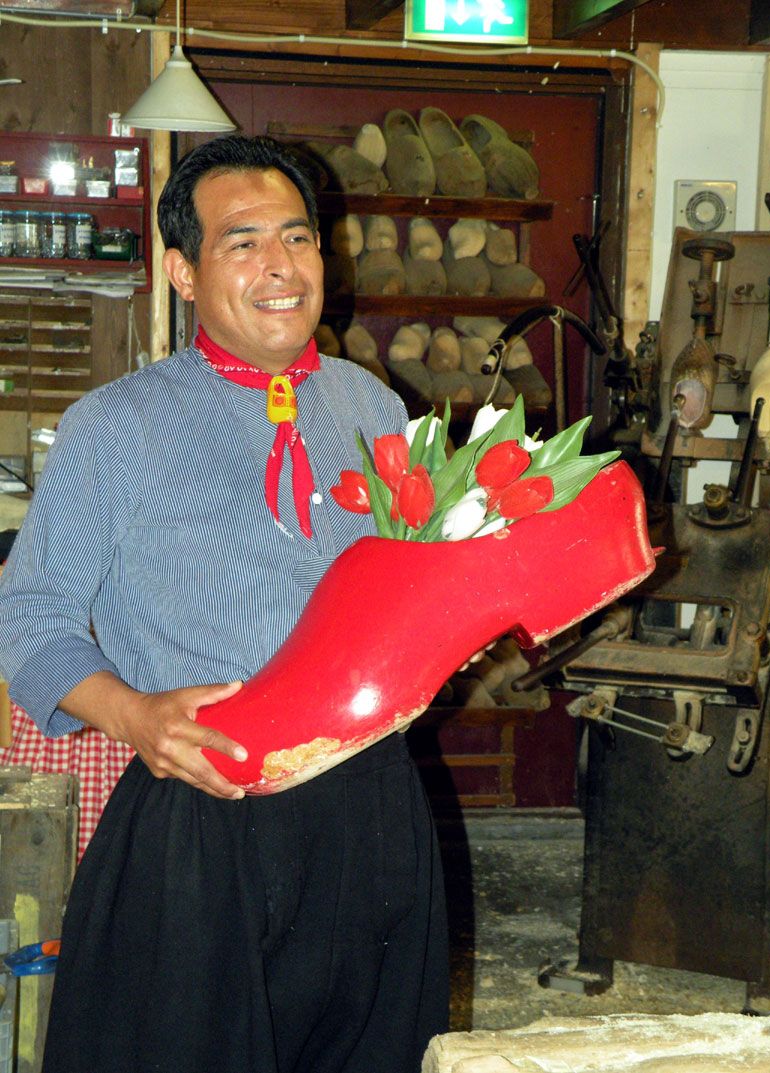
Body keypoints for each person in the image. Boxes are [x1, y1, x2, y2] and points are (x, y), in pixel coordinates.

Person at [0, 134, 449, 1073]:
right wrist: (135, 716)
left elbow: (411, 586)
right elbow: (27, 615)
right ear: (181, 272)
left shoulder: (375, 408)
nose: (281, 266)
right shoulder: (113, 427)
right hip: (202, 814)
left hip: (372, 812)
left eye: (299, 237)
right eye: (242, 243)